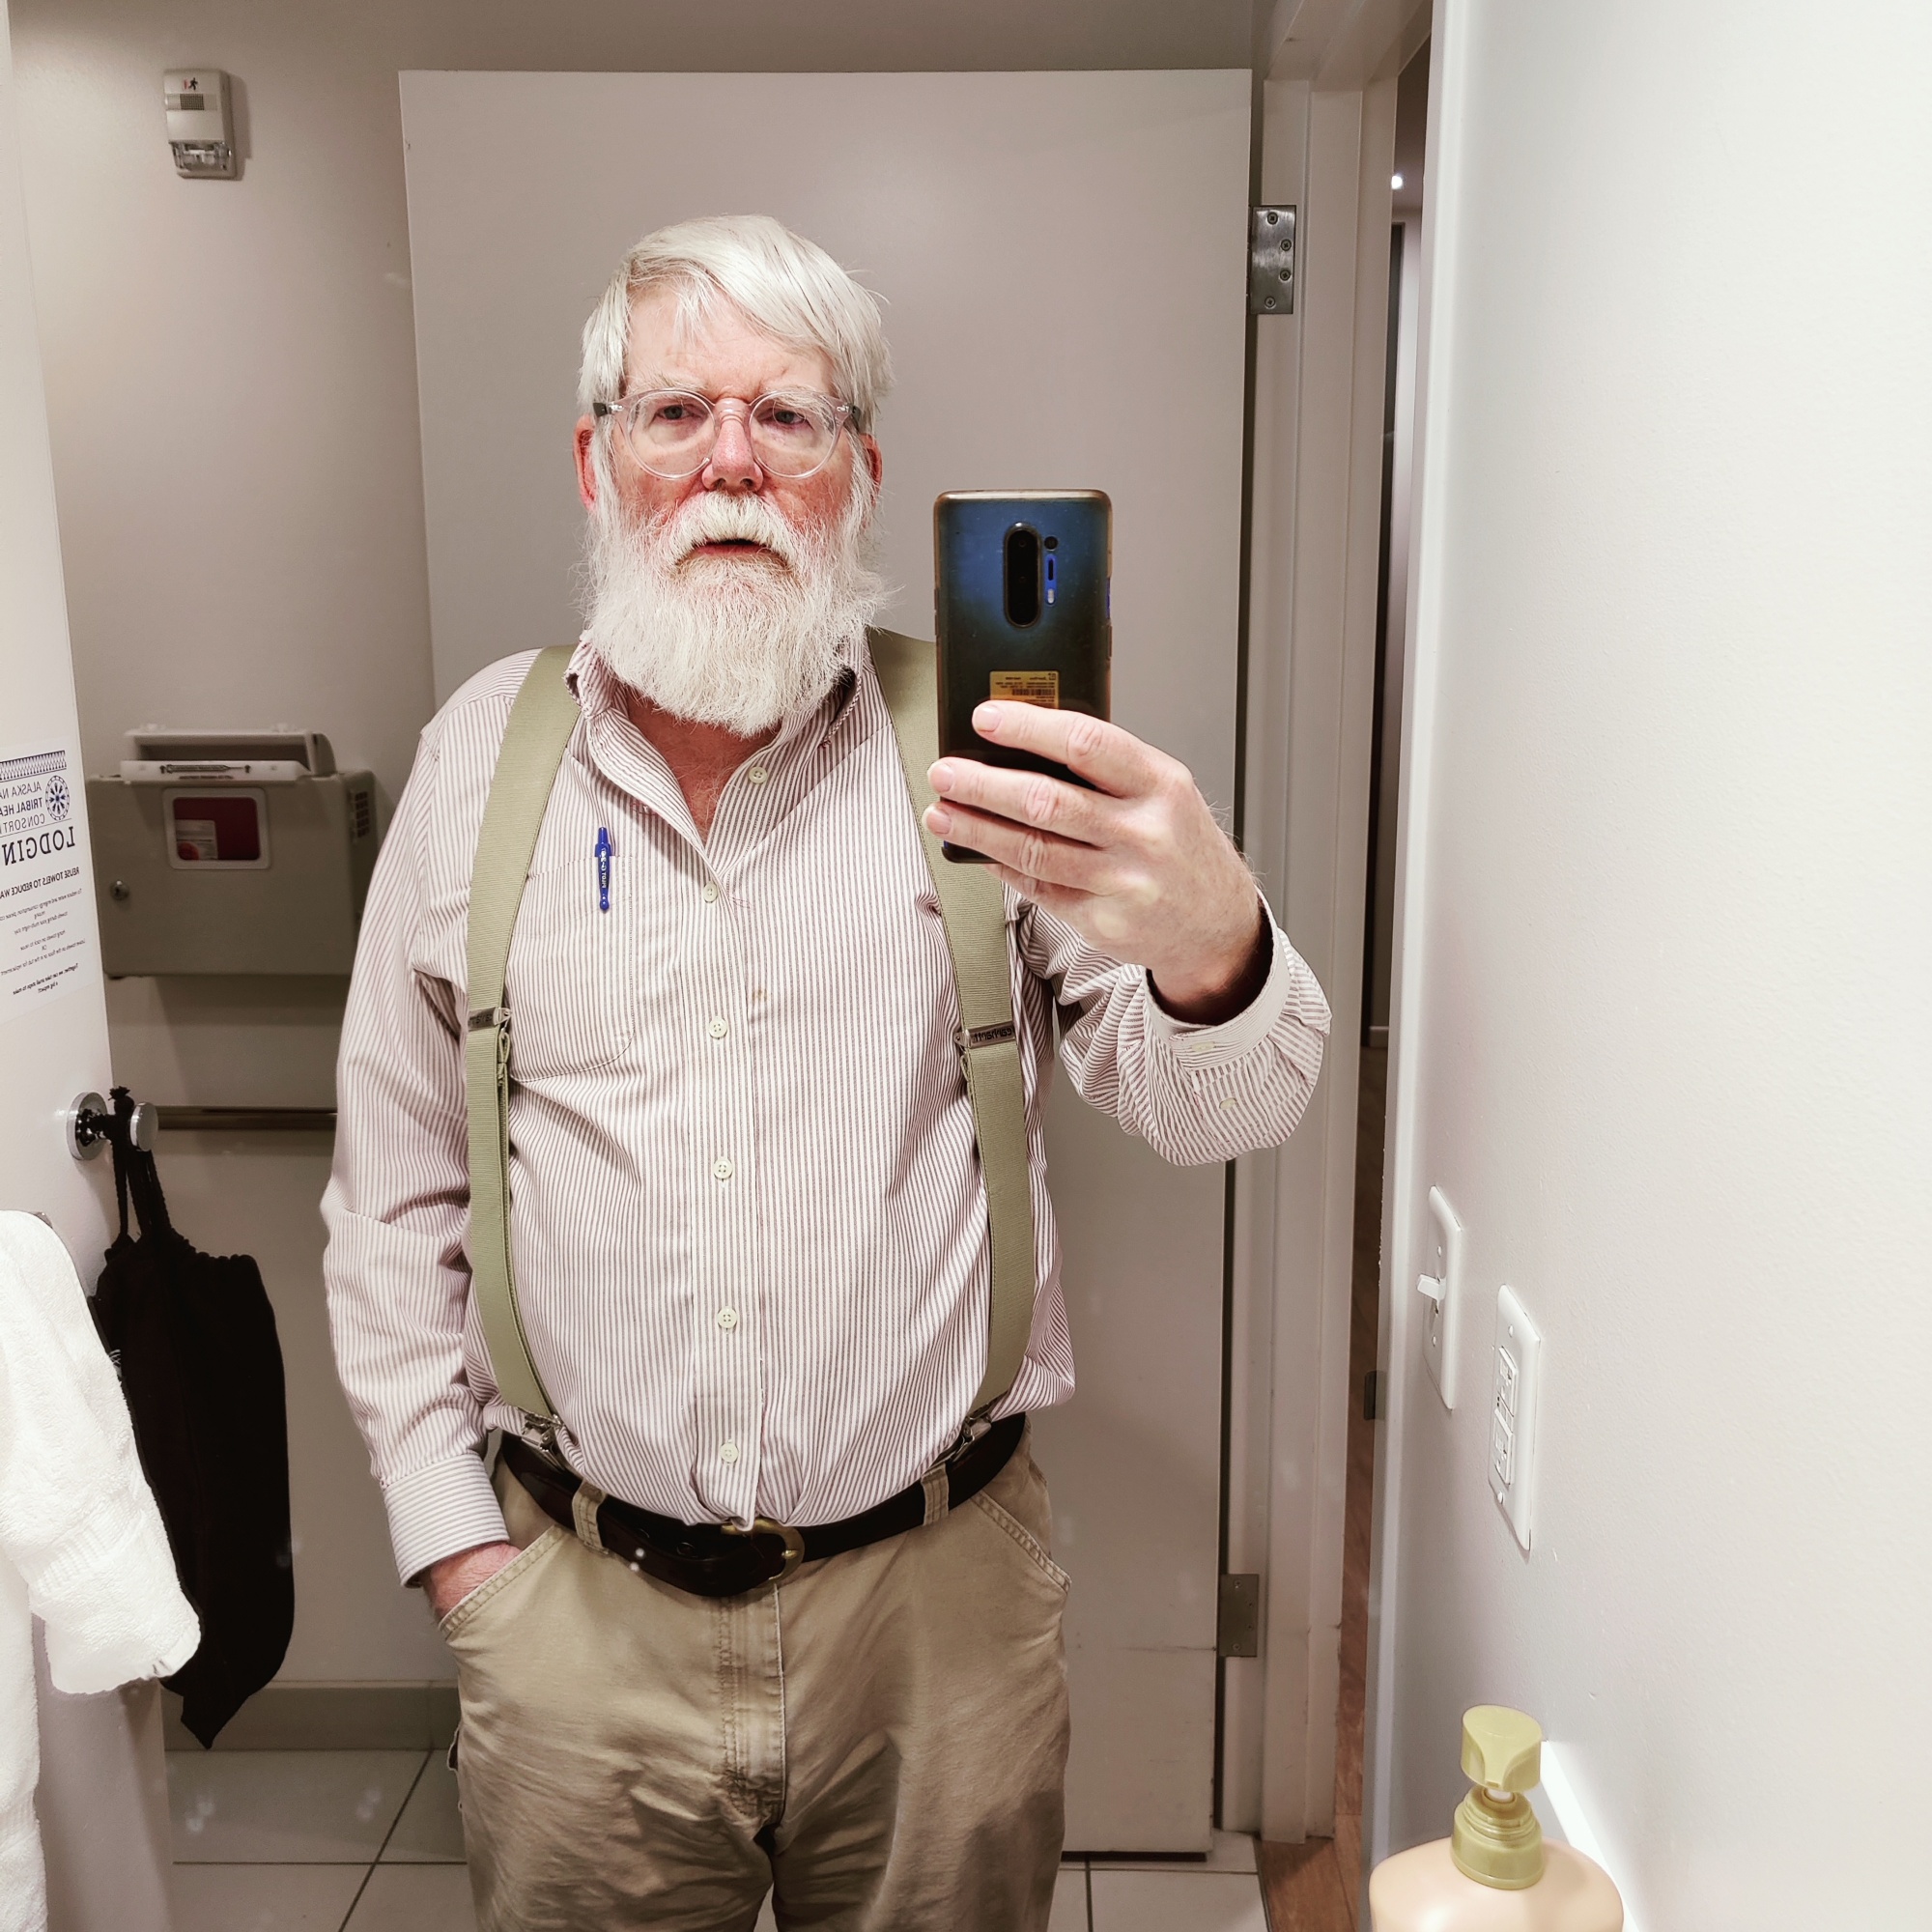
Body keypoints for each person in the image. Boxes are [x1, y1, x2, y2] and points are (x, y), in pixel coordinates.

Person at [324, 213, 1330, 1932]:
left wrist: (1210, 932)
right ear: (596, 460)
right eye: (675, 413)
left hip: (938, 1625)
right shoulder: (478, 756)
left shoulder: (994, 761)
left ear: (860, 473)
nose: (732, 465)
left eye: (788, 417)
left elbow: (1230, 1107)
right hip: (575, 1622)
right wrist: (461, 1558)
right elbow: (395, 1183)